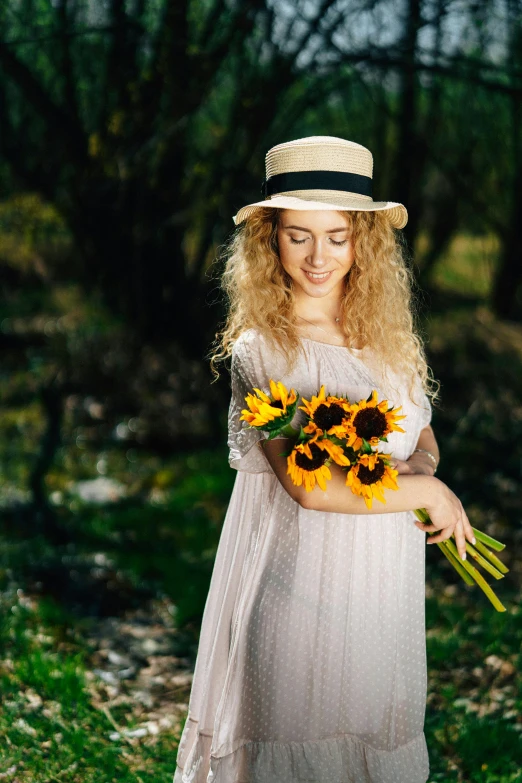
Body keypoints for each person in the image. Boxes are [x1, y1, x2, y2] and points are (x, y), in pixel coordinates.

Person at [173, 136, 475, 783]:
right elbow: (307, 488)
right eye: (297, 236)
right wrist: (430, 494)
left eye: (336, 236)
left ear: (362, 239)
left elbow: (420, 436)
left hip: (378, 593)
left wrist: (420, 469)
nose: (318, 257)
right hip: (296, 591)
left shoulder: (388, 340)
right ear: (270, 240)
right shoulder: (263, 353)